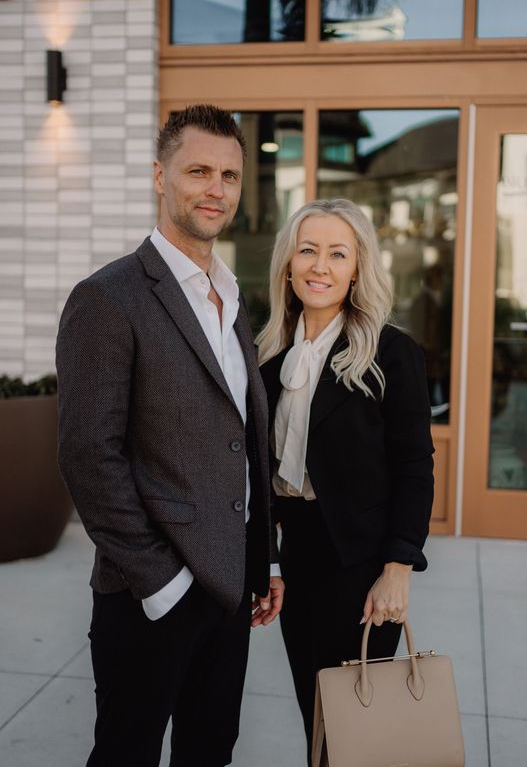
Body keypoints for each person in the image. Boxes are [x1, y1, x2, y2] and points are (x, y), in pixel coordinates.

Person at [56, 104, 284, 767]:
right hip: (151, 591)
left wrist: (263, 558)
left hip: (233, 581)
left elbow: (244, 437)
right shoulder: (109, 297)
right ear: (161, 177)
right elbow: (87, 456)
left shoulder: (231, 295)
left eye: (230, 176)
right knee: (127, 753)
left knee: (210, 749)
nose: (216, 188)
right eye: (198, 171)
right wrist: (161, 581)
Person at [257, 198, 434, 763]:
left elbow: (414, 466)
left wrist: (398, 568)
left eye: (338, 253)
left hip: (361, 564)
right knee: (316, 714)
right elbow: (259, 475)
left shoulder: (390, 353)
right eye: (307, 250)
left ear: (358, 268)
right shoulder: (267, 357)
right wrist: (270, 560)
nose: (320, 266)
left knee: (357, 727)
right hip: (299, 554)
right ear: (288, 264)